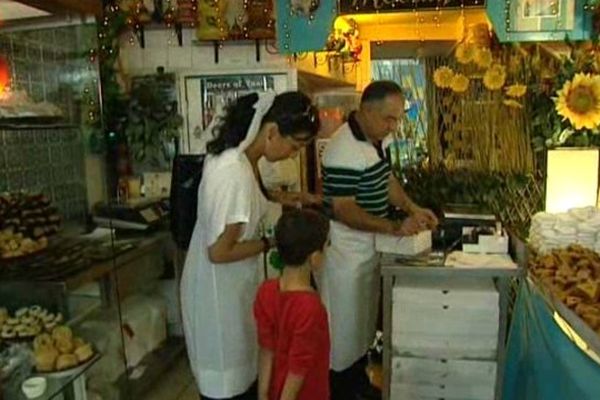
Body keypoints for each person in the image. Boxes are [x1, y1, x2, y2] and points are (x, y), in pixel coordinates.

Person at [180, 91, 320, 400]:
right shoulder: (233, 173)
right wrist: (270, 243)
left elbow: (254, 199)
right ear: (271, 132)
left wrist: (290, 199)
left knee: (245, 372)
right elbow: (219, 252)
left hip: (233, 289)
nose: (293, 154)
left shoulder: (243, 159)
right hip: (219, 297)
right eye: (294, 146)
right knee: (228, 385)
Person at [319, 80, 439, 399]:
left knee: (364, 325)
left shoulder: (376, 140)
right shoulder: (341, 150)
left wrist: (413, 207)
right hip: (346, 252)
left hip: (371, 247)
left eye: (397, 119)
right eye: (389, 118)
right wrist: (393, 227)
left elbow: (386, 181)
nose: (394, 126)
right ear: (366, 111)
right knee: (344, 330)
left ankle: (358, 383)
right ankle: (342, 390)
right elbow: (345, 211)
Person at [254, 209, 331, 400]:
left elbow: (266, 349)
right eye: (327, 246)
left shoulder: (266, 291)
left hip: (274, 391)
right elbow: (298, 369)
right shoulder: (310, 307)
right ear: (314, 257)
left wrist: (263, 395)